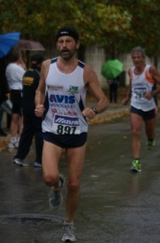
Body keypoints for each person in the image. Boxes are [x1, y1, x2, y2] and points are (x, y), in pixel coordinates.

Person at [35, 26, 108, 242]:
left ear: (77, 44)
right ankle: (57, 186)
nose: (64, 46)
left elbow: (103, 100)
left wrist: (93, 111)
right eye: (60, 41)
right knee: (49, 177)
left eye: (68, 41)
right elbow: (40, 89)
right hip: (52, 130)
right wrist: (38, 105)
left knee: (74, 184)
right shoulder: (47, 66)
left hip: (76, 131)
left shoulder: (85, 71)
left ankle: (68, 224)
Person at [121, 47, 160, 172]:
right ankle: (136, 162)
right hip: (136, 104)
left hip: (150, 106)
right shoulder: (131, 71)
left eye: (139, 57)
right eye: (134, 58)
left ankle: (151, 139)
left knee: (149, 133)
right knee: (135, 131)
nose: (136, 60)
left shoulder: (150, 70)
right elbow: (131, 86)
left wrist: (152, 93)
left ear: (143, 58)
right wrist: (127, 97)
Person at [13, 54, 44, 167]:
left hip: (25, 108)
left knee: (26, 133)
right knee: (39, 134)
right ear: (41, 63)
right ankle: (39, 160)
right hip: (35, 108)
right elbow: (40, 92)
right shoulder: (39, 75)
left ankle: (19, 157)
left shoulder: (26, 74)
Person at [5, 47, 26, 149]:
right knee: (22, 118)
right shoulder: (18, 68)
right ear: (18, 57)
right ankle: (20, 140)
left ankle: (12, 139)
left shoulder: (8, 67)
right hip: (20, 92)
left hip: (13, 92)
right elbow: (26, 78)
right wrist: (23, 67)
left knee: (14, 117)